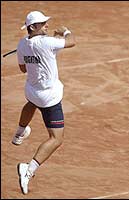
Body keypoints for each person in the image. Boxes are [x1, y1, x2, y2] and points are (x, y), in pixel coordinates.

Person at [13, 10, 76, 195]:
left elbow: (23, 68)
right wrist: (65, 31)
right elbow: (72, 42)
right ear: (33, 27)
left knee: (31, 104)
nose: (47, 25)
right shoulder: (47, 42)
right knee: (56, 139)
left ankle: (19, 133)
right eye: (43, 23)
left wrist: (39, 57)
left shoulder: (22, 44)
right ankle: (28, 169)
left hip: (31, 92)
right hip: (48, 98)